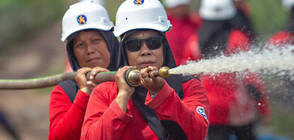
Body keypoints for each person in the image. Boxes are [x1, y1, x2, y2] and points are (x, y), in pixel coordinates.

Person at [81, 0, 209, 139]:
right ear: (124, 51)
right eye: (134, 45)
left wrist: (160, 93)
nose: (145, 51)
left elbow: (197, 134)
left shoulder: (189, 86)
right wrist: (123, 95)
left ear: (164, 46)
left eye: (153, 43)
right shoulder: (105, 92)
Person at [185, 0, 271, 139]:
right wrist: (263, 109)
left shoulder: (193, 42)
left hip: (210, 107)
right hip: (239, 109)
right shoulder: (238, 39)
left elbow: (188, 78)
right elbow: (252, 78)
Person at [48, 1, 119, 140]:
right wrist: (84, 93)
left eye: (96, 40)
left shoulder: (131, 78)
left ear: (110, 40)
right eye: (80, 45)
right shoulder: (65, 91)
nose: (90, 50)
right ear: (72, 53)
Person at [162, 0, 202, 65]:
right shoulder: (164, 23)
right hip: (171, 65)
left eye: (183, 6)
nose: (180, 9)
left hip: (190, 65)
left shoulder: (194, 22)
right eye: (178, 6)